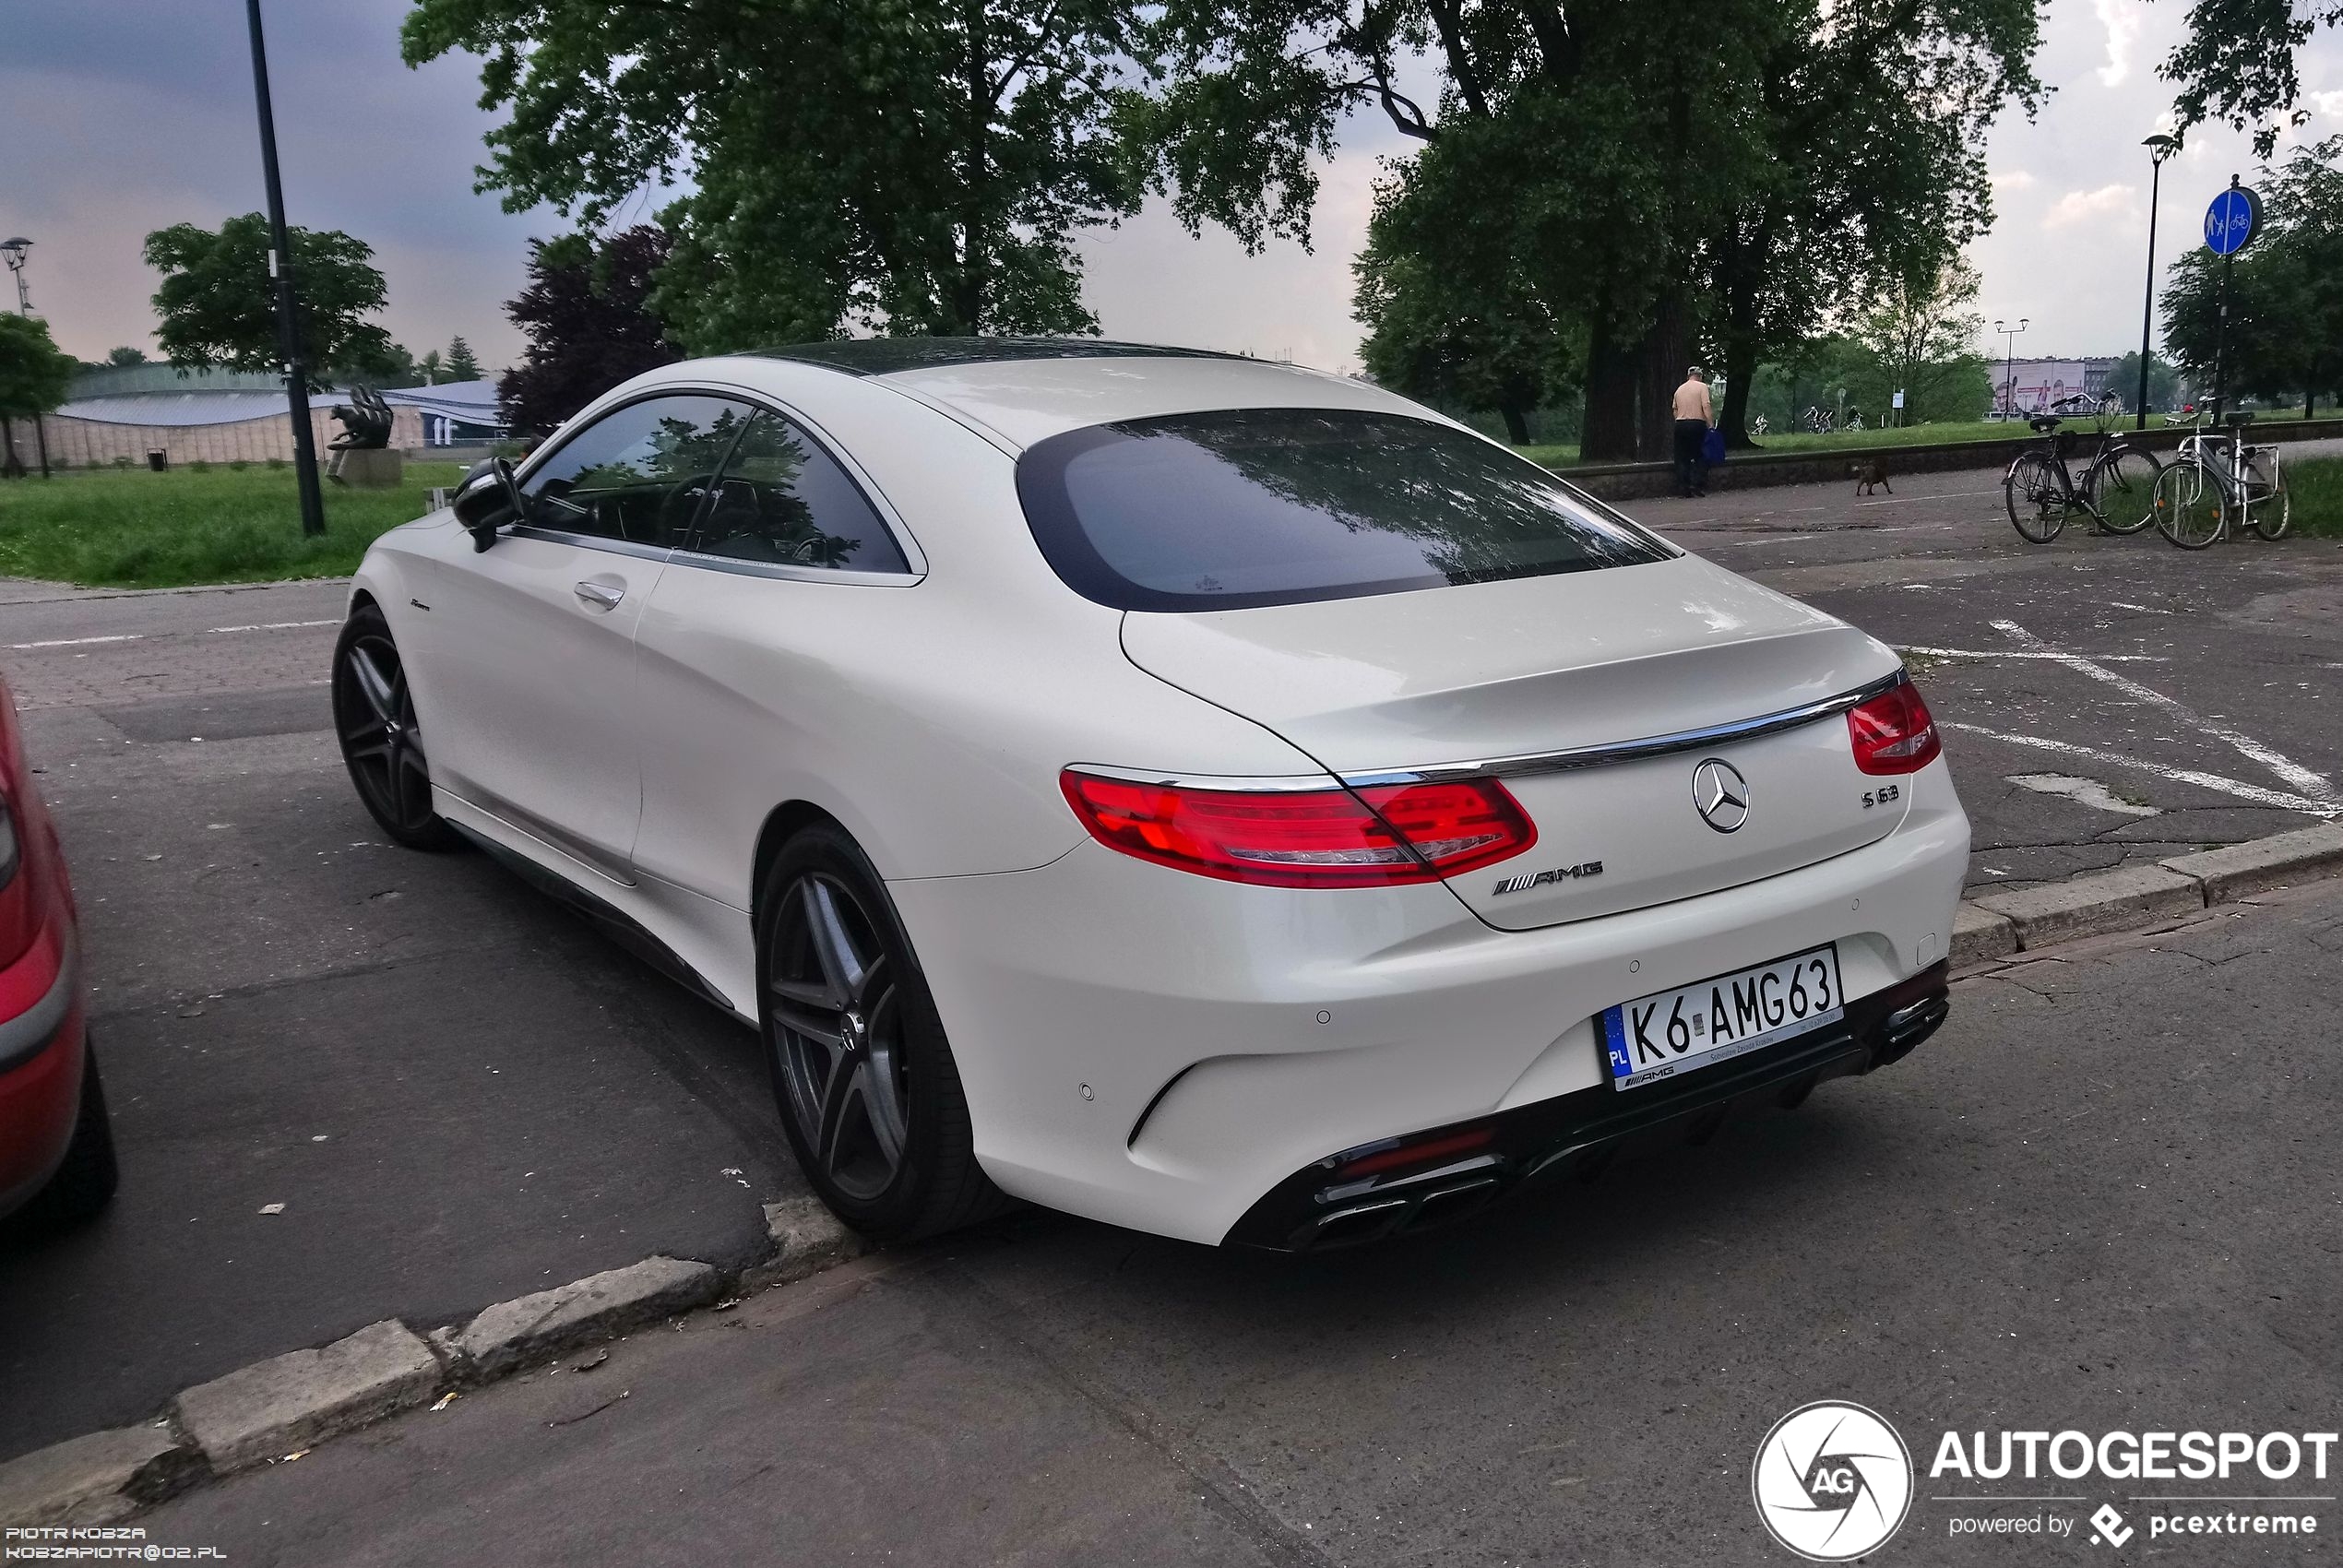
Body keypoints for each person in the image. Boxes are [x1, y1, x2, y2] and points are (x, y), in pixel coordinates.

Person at [1671, 366, 1715, 497]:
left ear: (1688, 376)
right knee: (1701, 455)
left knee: (1681, 457)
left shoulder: (1680, 389)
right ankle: (1697, 485)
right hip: (1697, 424)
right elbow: (1706, 405)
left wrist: (1680, 419)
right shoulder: (1702, 387)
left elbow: (1675, 409)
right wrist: (1711, 424)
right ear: (1700, 376)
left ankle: (1683, 488)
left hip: (1680, 424)